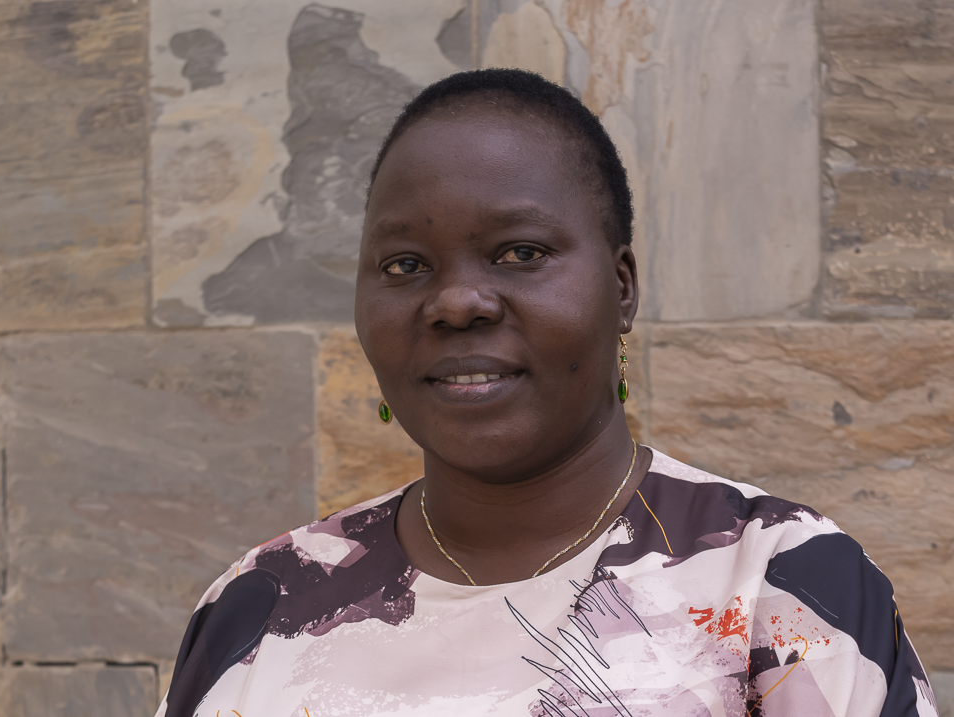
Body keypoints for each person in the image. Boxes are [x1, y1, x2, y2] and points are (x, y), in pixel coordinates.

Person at [155, 69, 937, 717]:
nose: (456, 302)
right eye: (405, 265)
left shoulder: (780, 584)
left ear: (621, 288)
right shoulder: (261, 602)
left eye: (519, 252)